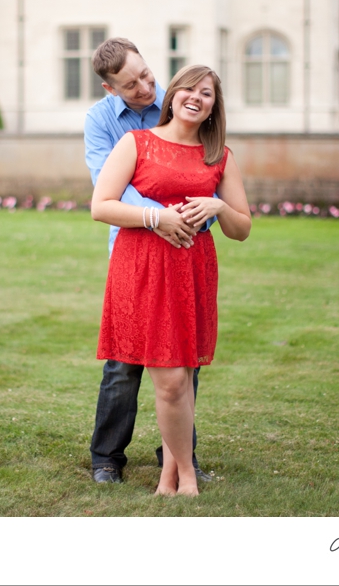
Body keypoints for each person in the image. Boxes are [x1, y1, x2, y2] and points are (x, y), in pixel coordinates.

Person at [91, 64, 251, 495]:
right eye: (190, 89)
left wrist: (218, 208)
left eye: (208, 93)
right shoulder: (136, 142)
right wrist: (154, 215)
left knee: (180, 378)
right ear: (173, 93)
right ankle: (185, 474)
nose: (197, 98)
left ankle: (171, 475)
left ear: (215, 107)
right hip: (141, 266)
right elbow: (101, 205)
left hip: (191, 270)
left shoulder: (220, 156)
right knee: (169, 378)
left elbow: (243, 228)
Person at [85, 38, 214, 485]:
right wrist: (160, 216)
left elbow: (201, 166)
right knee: (123, 363)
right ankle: (106, 458)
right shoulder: (101, 121)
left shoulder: (179, 101)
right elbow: (109, 186)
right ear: (109, 88)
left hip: (183, 246)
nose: (145, 87)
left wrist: (184, 217)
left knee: (182, 362)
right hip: (133, 246)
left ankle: (179, 461)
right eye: (131, 84)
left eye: (146, 74)